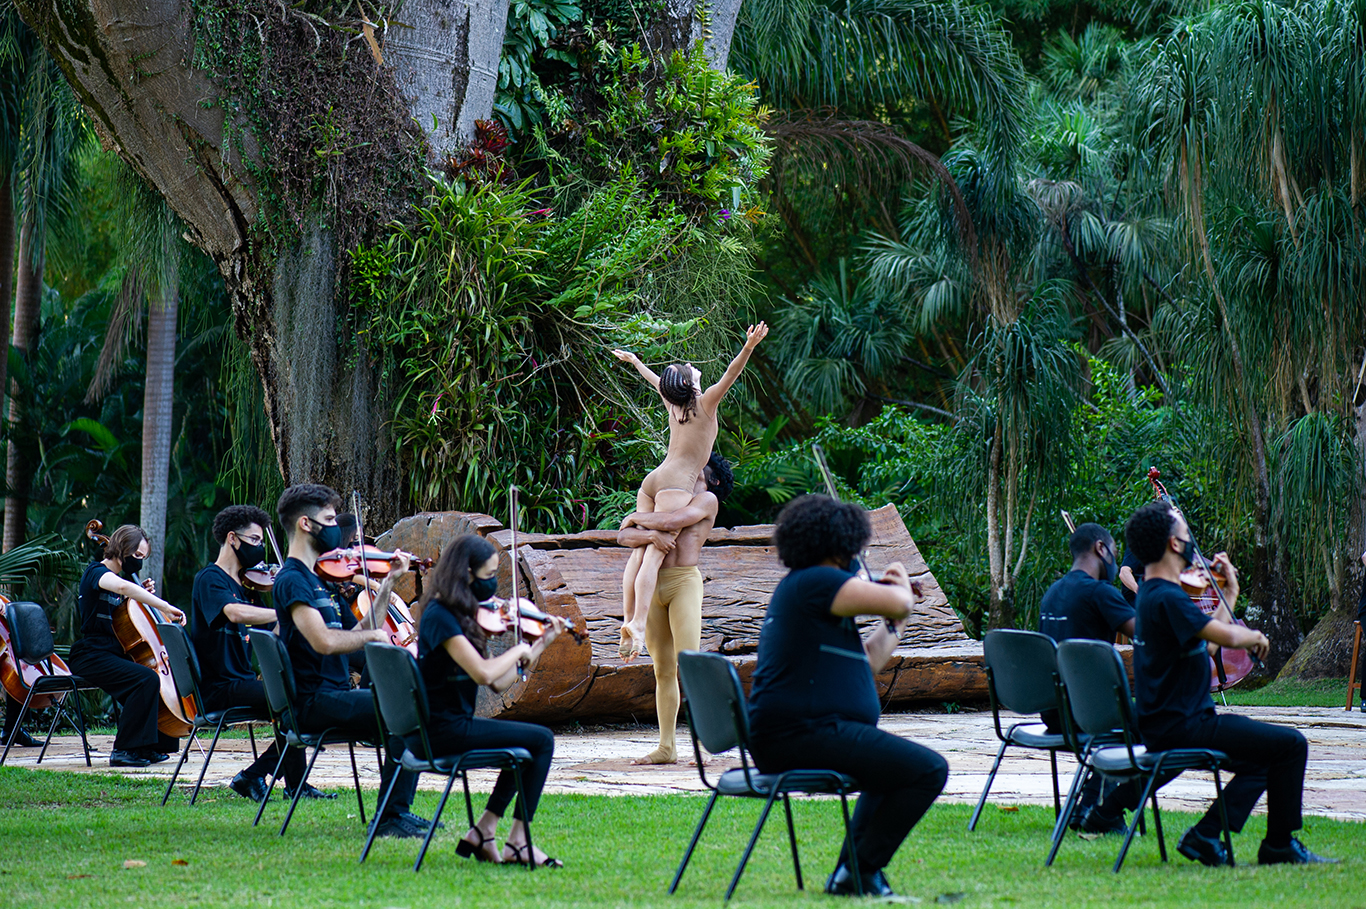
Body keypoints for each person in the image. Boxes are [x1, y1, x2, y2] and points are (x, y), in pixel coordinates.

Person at [1090, 500, 1335, 865]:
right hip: (1187, 725)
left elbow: (1203, 645)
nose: (1191, 542)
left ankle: (1205, 836)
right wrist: (1253, 637)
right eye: (1186, 535)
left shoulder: (1153, 595)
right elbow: (1228, 637)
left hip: (1165, 723)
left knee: (1261, 760)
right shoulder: (1169, 596)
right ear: (1175, 544)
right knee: (1291, 746)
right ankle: (1278, 846)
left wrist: (1230, 593)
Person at [746, 495, 947, 897]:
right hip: (801, 733)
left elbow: (869, 660)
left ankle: (852, 874)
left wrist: (896, 621)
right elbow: (899, 599)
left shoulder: (812, 593)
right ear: (841, 544)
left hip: (803, 732)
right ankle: (861, 869)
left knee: (891, 771)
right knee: (928, 770)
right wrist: (899, 581)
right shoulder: (818, 582)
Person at [271, 483, 425, 838]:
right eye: (328, 519)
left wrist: (386, 584)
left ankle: (393, 812)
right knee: (409, 710)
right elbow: (323, 642)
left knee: (408, 705)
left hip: (333, 694)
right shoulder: (293, 581)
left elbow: (362, 627)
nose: (335, 528)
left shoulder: (319, 580)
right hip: (314, 702)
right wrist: (371, 638)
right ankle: (390, 815)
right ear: (306, 525)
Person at [612, 322, 767, 659]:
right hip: (674, 484)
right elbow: (731, 373)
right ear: (690, 383)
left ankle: (627, 619)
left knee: (638, 554)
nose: (695, 369)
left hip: (652, 480)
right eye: (691, 370)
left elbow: (656, 381)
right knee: (654, 553)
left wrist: (636, 362)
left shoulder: (673, 404)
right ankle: (637, 623)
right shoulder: (704, 403)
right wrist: (750, 346)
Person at [414, 534, 565, 866]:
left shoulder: (464, 615)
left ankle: (484, 831)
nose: (494, 585)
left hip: (451, 725)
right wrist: (517, 649)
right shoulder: (441, 616)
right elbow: (484, 673)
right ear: (466, 574)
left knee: (526, 746)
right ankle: (518, 842)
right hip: (441, 731)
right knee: (541, 740)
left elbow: (499, 683)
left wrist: (538, 644)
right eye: (489, 576)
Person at [616, 452, 733, 764]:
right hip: (652, 585)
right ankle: (666, 746)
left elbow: (671, 522)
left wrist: (639, 520)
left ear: (713, 480)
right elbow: (623, 535)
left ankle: (702, 743)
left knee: (689, 664)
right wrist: (648, 531)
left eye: (697, 471)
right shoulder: (665, 497)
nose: (688, 474)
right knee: (662, 669)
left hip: (683, 583)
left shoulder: (707, 500)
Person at [189, 505, 310, 801]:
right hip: (219, 687)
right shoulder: (210, 579)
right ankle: (261, 777)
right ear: (233, 538)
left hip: (240, 682)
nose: (259, 549)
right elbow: (232, 612)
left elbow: (271, 637)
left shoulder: (247, 585)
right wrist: (281, 612)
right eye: (255, 540)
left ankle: (288, 784)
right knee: (298, 702)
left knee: (300, 701)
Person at [1036, 522, 1135, 830]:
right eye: (1115, 553)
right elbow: (1149, 635)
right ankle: (1093, 804)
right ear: (1101, 549)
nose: (1116, 562)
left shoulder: (1052, 592)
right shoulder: (1099, 592)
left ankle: (1091, 803)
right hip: (1091, 716)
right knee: (1157, 723)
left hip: (1053, 713)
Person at [67, 524, 186, 767]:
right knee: (145, 679)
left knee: (150, 677)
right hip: (90, 654)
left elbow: (124, 618)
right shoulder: (96, 573)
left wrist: (139, 596)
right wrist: (162, 605)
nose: (139, 563)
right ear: (122, 549)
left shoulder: (120, 584)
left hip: (113, 652)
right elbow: (121, 586)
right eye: (137, 556)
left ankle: (148, 746)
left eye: (143, 557)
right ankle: (123, 750)